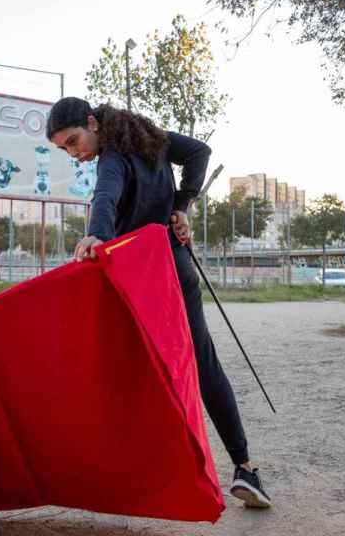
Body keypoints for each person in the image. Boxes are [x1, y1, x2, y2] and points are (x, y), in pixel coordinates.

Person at [46, 97, 272, 509]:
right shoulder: (154, 140)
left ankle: (124, 473)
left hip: (139, 274)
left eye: (74, 141)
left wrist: (97, 233)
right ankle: (245, 467)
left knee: (119, 365)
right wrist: (181, 206)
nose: (74, 153)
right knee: (202, 361)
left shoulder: (112, 157)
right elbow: (199, 152)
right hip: (176, 263)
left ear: (93, 123)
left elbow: (105, 196)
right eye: (65, 149)